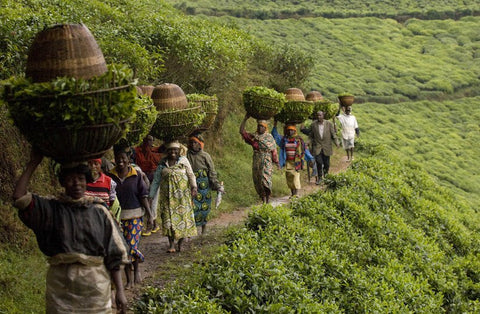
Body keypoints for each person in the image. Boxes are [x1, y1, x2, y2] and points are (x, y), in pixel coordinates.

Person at [12, 149, 129, 313]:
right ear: (62, 182)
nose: (76, 184)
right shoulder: (51, 209)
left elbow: (115, 253)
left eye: (81, 179)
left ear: (87, 181)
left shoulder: (99, 212)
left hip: (95, 288)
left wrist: (120, 292)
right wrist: (33, 163)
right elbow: (19, 197)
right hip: (61, 288)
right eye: (70, 179)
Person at [107, 143, 153, 289]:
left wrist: (150, 215)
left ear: (128, 159)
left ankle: (137, 270)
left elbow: (143, 196)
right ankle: (129, 279)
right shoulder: (110, 176)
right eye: (117, 159)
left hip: (135, 216)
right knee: (124, 248)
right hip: (117, 218)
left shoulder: (136, 175)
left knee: (131, 246)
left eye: (123, 158)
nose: (120, 161)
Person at [149, 140, 198, 253]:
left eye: (175, 150)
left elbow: (191, 175)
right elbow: (156, 180)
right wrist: (151, 195)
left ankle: (180, 243)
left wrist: (194, 187)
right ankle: (171, 244)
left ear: (179, 151)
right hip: (167, 198)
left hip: (182, 197)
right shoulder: (162, 163)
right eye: (170, 150)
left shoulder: (184, 161)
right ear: (167, 151)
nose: (173, 152)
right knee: (168, 220)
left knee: (183, 219)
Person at [186, 133, 224, 234]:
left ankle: (203, 230)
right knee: (191, 207)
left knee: (204, 207)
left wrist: (216, 185)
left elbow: (211, 172)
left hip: (204, 186)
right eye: (191, 143)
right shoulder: (186, 155)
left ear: (200, 144)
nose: (193, 145)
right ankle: (191, 231)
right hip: (191, 184)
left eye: (195, 143)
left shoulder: (205, 156)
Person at [239, 113, 279, 204]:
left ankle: (268, 199)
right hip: (257, 160)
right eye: (259, 126)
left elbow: (273, 150)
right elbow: (242, 132)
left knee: (265, 179)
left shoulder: (269, 137)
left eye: (262, 126)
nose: (260, 128)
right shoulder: (254, 137)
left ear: (265, 128)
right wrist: (245, 119)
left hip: (266, 160)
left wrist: (276, 162)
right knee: (258, 180)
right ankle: (263, 199)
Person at [272, 121, 314, 197]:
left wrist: (311, 158)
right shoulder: (284, 140)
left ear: (295, 131)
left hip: (296, 162)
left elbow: (304, 150)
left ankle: (296, 194)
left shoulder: (299, 140)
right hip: (288, 162)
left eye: (292, 130)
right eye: (289, 130)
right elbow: (275, 136)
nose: (290, 132)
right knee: (289, 177)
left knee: (296, 177)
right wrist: (275, 125)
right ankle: (292, 193)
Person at [134, 135, 163, 234]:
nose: (149, 142)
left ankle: (149, 225)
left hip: (154, 177)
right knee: (145, 199)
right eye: (147, 140)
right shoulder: (137, 151)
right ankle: (154, 224)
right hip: (142, 177)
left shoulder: (155, 151)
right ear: (143, 140)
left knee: (153, 199)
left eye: (151, 140)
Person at [301, 111, 339, 184]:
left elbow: (333, 135)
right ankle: (320, 178)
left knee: (326, 163)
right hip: (317, 147)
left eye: (320, 115)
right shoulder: (313, 125)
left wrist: (337, 143)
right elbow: (311, 136)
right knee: (319, 162)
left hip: (326, 147)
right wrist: (307, 142)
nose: (319, 117)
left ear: (323, 115)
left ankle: (326, 176)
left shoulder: (329, 124)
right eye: (318, 116)